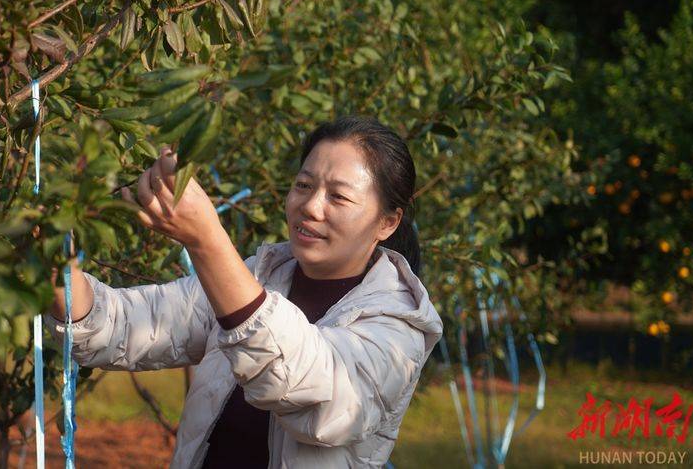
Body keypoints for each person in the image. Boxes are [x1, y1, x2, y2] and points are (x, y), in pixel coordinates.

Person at [45, 115, 444, 468]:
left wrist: (206, 240)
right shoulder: (263, 276)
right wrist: (49, 263)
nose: (311, 206)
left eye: (338, 196)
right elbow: (132, 323)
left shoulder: (399, 324)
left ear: (387, 223)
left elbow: (317, 396)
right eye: (304, 185)